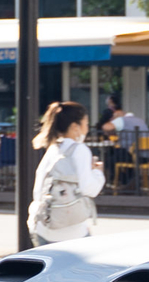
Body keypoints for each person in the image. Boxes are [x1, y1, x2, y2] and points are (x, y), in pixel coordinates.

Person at [27, 101, 106, 244]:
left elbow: (38, 189)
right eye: (86, 124)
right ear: (75, 127)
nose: (87, 128)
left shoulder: (53, 148)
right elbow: (89, 189)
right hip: (71, 231)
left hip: (42, 227)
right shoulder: (79, 150)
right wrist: (98, 172)